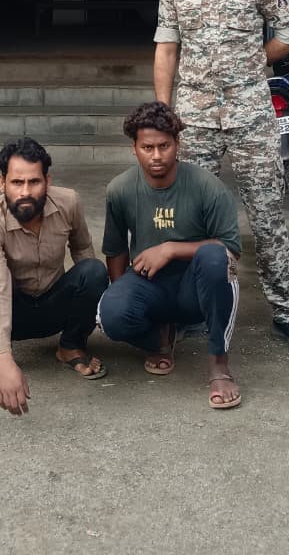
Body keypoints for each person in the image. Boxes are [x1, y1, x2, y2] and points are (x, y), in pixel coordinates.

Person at [153, 0, 289, 357]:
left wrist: (254, 59)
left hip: (251, 115)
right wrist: (163, 112)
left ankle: (288, 314)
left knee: (267, 215)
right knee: (189, 216)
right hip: (195, 117)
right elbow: (166, 48)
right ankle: (190, 310)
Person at [98, 101, 243, 410]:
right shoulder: (120, 189)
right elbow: (116, 250)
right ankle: (159, 338)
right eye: (147, 147)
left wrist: (170, 248)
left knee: (215, 258)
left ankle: (219, 364)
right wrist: (122, 297)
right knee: (110, 315)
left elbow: (231, 249)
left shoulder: (207, 187)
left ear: (177, 144)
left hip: (195, 289)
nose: (156, 155)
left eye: (164, 146)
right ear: (134, 148)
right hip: (150, 284)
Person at [0, 137, 109, 416]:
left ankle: (70, 346)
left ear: (47, 181)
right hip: (15, 312)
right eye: (16, 182)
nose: (25, 191)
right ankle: (0, 351)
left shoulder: (69, 202)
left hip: (54, 307)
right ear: (2, 183)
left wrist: (94, 311)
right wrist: (5, 360)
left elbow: (82, 249)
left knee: (94, 270)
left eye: (34, 182)